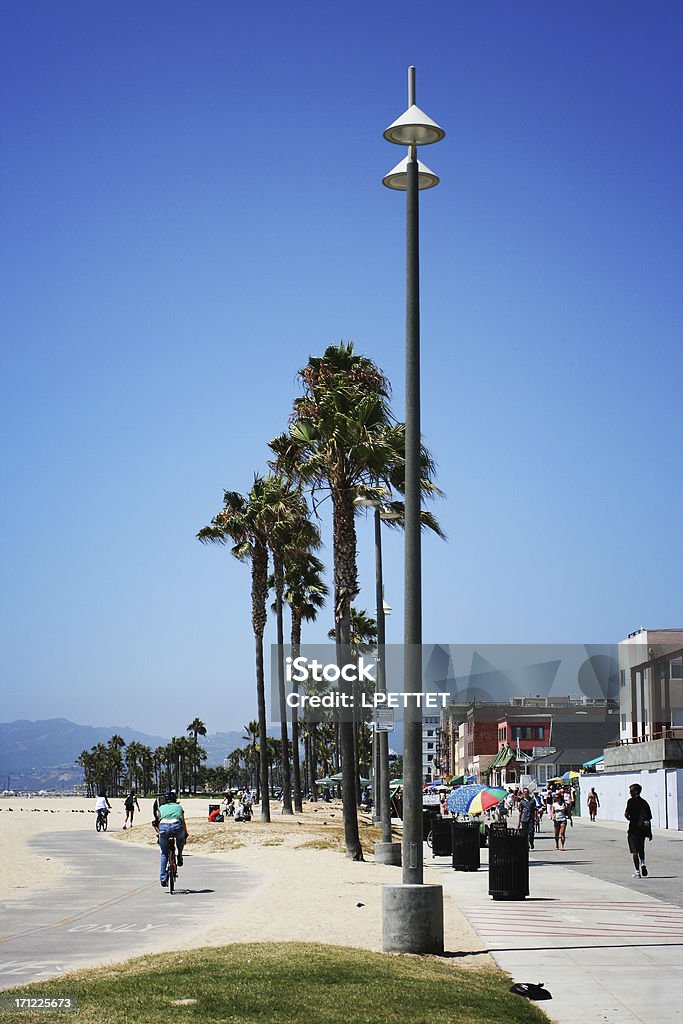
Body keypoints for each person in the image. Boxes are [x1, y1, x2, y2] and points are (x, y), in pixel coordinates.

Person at [154, 790, 188, 887]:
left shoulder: (161, 807)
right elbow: (183, 822)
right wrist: (185, 832)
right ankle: (180, 856)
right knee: (180, 840)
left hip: (164, 827)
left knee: (164, 853)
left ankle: (163, 878)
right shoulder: (179, 807)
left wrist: (159, 833)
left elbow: (158, 821)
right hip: (177, 826)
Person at [624, 782, 652, 878]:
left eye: (631, 791)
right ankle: (643, 863)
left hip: (633, 829)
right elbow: (648, 818)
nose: (630, 792)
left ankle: (637, 871)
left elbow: (626, 814)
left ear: (636, 791)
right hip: (642, 830)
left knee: (634, 851)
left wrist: (630, 819)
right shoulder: (644, 802)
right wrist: (650, 832)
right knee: (641, 848)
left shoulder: (631, 801)